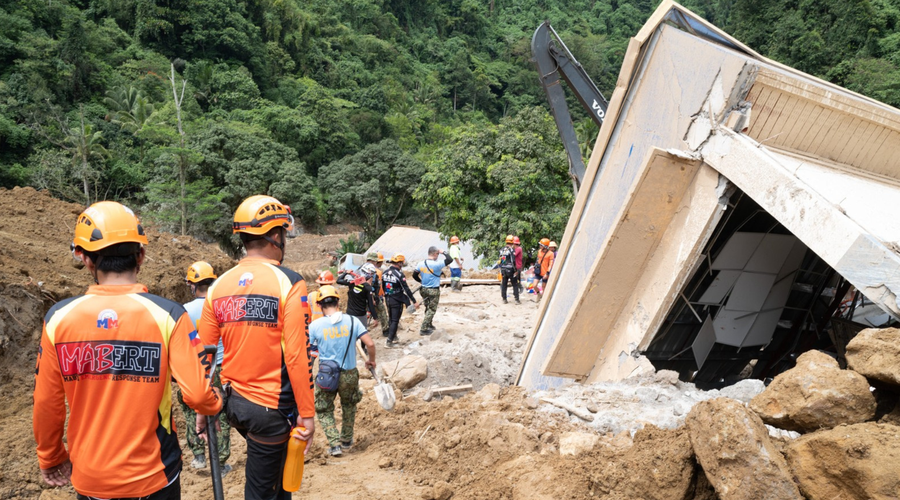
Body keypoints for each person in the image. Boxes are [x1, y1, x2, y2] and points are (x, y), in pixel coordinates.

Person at [33, 201, 222, 500]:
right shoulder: (168, 314)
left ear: (85, 259)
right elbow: (198, 394)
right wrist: (214, 404)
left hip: (92, 477)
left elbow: (47, 403)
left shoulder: (58, 319)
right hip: (155, 475)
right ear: (141, 255)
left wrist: (51, 455)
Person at [198, 195, 315, 500]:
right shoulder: (289, 283)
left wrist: (202, 406)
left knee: (276, 483)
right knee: (262, 491)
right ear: (276, 235)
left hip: (234, 404)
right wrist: (307, 413)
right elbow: (296, 354)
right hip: (271, 410)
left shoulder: (218, 286)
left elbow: (205, 354)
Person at [308, 285, 376, 457]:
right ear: (338, 301)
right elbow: (370, 344)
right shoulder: (353, 321)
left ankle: (334, 443)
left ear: (319, 305)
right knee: (349, 405)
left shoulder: (315, 326)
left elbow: (308, 351)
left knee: (323, 409)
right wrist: (371, 361)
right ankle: (346, 439)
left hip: (326, 375)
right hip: (349, 374)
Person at [179, 261, 231, 476]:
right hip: (221, 365)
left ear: (193, 285)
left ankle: (199, 456)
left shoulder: (184, 311)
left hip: (196, 368)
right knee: (222, 411)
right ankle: (220, 462)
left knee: (192, 409)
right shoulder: (222, 306)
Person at [381, 254, 419, 347]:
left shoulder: (385, 272)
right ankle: (389, 342)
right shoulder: (399, 274)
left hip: (388, 298)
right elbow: (406, 289)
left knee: (391, 318)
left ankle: (393, 336)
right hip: (396, 299)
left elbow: (383, 286)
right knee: (395, 320)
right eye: (402, 263)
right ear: (399, 263)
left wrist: (387, 295)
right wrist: (414, 301)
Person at [415, 246, 453, 335]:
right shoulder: (437, 264)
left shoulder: (421, 263)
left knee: (428, 307)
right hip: (433, 290)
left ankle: (429, 324)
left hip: (423, 289)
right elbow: (450, 259)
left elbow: (414, 275)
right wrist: (443, 252)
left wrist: (421, 281)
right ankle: (424, 329)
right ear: (435, 254)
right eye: (438, 254)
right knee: (432, 309)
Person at [336, 263, 380, 330]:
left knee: (351, 336)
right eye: (371, 274)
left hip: (350, 314)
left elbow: (338, 280)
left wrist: (346, 273)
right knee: (363, 335)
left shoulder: (352, 282)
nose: (371, 276)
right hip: (361, 315)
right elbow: (370, 304)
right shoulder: (367, 287)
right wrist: (375, 317)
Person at [498, 235, 520, 304]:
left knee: (504, 284)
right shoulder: (511, 250)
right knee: (515, 284)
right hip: (511, 270)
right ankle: (516, 299)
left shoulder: (502, 250)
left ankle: (504, 299)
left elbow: (501, 260)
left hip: (503, 269)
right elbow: (513, 261)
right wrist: (516, 270)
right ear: (512, 242)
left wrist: (501, 269)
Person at [373, 253, 389, 335]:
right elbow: (380, 285)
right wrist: (382, 295)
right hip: (376, 295)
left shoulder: (364, 269)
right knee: (382, 312)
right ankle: (386, 330)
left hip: (365, 295)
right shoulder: (378, 272)